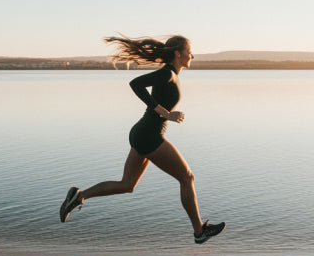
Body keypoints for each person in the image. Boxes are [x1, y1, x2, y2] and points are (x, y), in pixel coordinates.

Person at [59, 35, 226, 244]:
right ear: (178, 53)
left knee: (127, 185)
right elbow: (135, 83)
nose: (192, 55)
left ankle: (79, 196)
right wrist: (165, 113)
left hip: (142, 133)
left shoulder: (172, 74)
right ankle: (199, 231)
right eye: (189, 51)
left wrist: (163, 113)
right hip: (149, 135)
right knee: (187, 178)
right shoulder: (167, 73)